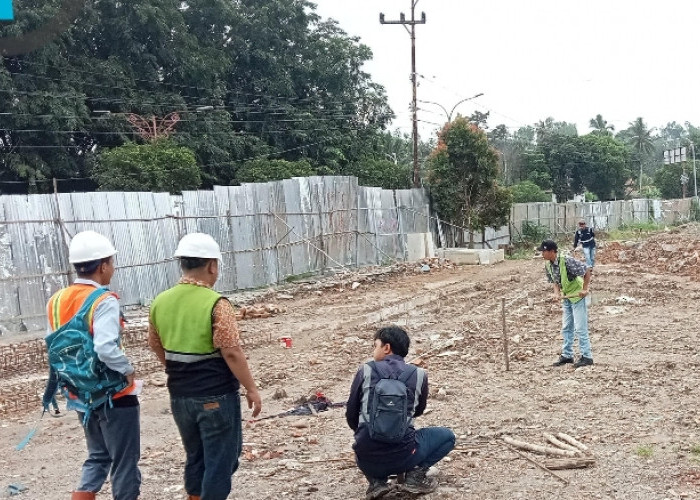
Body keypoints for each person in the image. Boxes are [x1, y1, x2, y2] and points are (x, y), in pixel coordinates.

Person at [148, 233, 262, 500]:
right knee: (221, 462)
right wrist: (252, 389)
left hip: (180, 397)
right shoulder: (216, 304)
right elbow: (231, 351)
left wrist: (178, 370)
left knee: (196, 456)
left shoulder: (160, 301)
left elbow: (155, 344)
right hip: (215, 397)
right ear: (212, 265)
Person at [45, 230, 141, 500]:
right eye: (111, 262)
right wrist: (128, 370)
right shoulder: (103, 300)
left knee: (98, 456)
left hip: (79, 393)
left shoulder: (56, 300)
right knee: (124, 463)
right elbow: (106, 347)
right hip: (114, 395)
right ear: (102, 266)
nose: (113, 268)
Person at [346, 326, 455, 500]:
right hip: (405, 455)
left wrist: (369, 433)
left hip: (367, 459)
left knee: (363, 439)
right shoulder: (419, 375)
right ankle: (414, 477)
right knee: (447, 436)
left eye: (375, 345)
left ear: (386, 348)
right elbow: (418, 411)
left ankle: (376, 483)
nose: (374, 350)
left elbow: (351, 413)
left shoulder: (365, 370)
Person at [538, 240, 594, 368]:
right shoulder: (548, 264)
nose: (542, 253)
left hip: (577, 296)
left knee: (580, 328)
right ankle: (567, 355)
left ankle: (587, 356)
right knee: (567, 327)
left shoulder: (567, 260)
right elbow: (555, 281)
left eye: (544, 251)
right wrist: (557, 293)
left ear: (552, 251)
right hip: (567, 297)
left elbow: (586, 270)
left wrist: (584, 289)